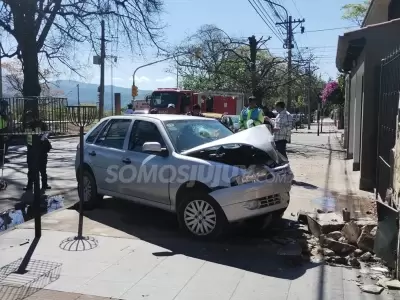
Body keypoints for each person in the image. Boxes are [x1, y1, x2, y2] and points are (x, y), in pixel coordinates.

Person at [23, 111, 52, 191]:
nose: (28, 119)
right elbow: (28, 139)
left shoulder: (41, 124)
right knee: (34, 169)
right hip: (35, 150)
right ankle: (32, 185)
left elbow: (46, 133)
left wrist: (41, 138)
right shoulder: (30, 125)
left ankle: (42, 184)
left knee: (40, 169)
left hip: (39, 150)